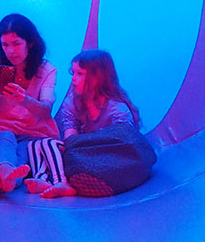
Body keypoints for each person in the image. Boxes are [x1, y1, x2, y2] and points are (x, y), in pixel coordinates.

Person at [24, 49, 143, 198]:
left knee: (50, 144)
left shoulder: (116, 109)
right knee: (36, 144)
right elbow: (70, 140)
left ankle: (61, 182)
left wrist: (84, 145)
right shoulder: (72, 103)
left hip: (109, 158)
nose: (73, 79)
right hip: (81, 154)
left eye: (79, 74)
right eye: (73, 73)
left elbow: (125, 146)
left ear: (97, 79)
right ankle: (43, 179)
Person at [0, 13, 59, 199]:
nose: (11, 51)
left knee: (24, 158)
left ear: (30, 43)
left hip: (31, 136)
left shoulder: (46, 70)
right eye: (5, 45)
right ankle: (6, 171)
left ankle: (1, 180)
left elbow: (46, 111)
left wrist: (24, 99)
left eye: (16, 44)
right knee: (6, 136)